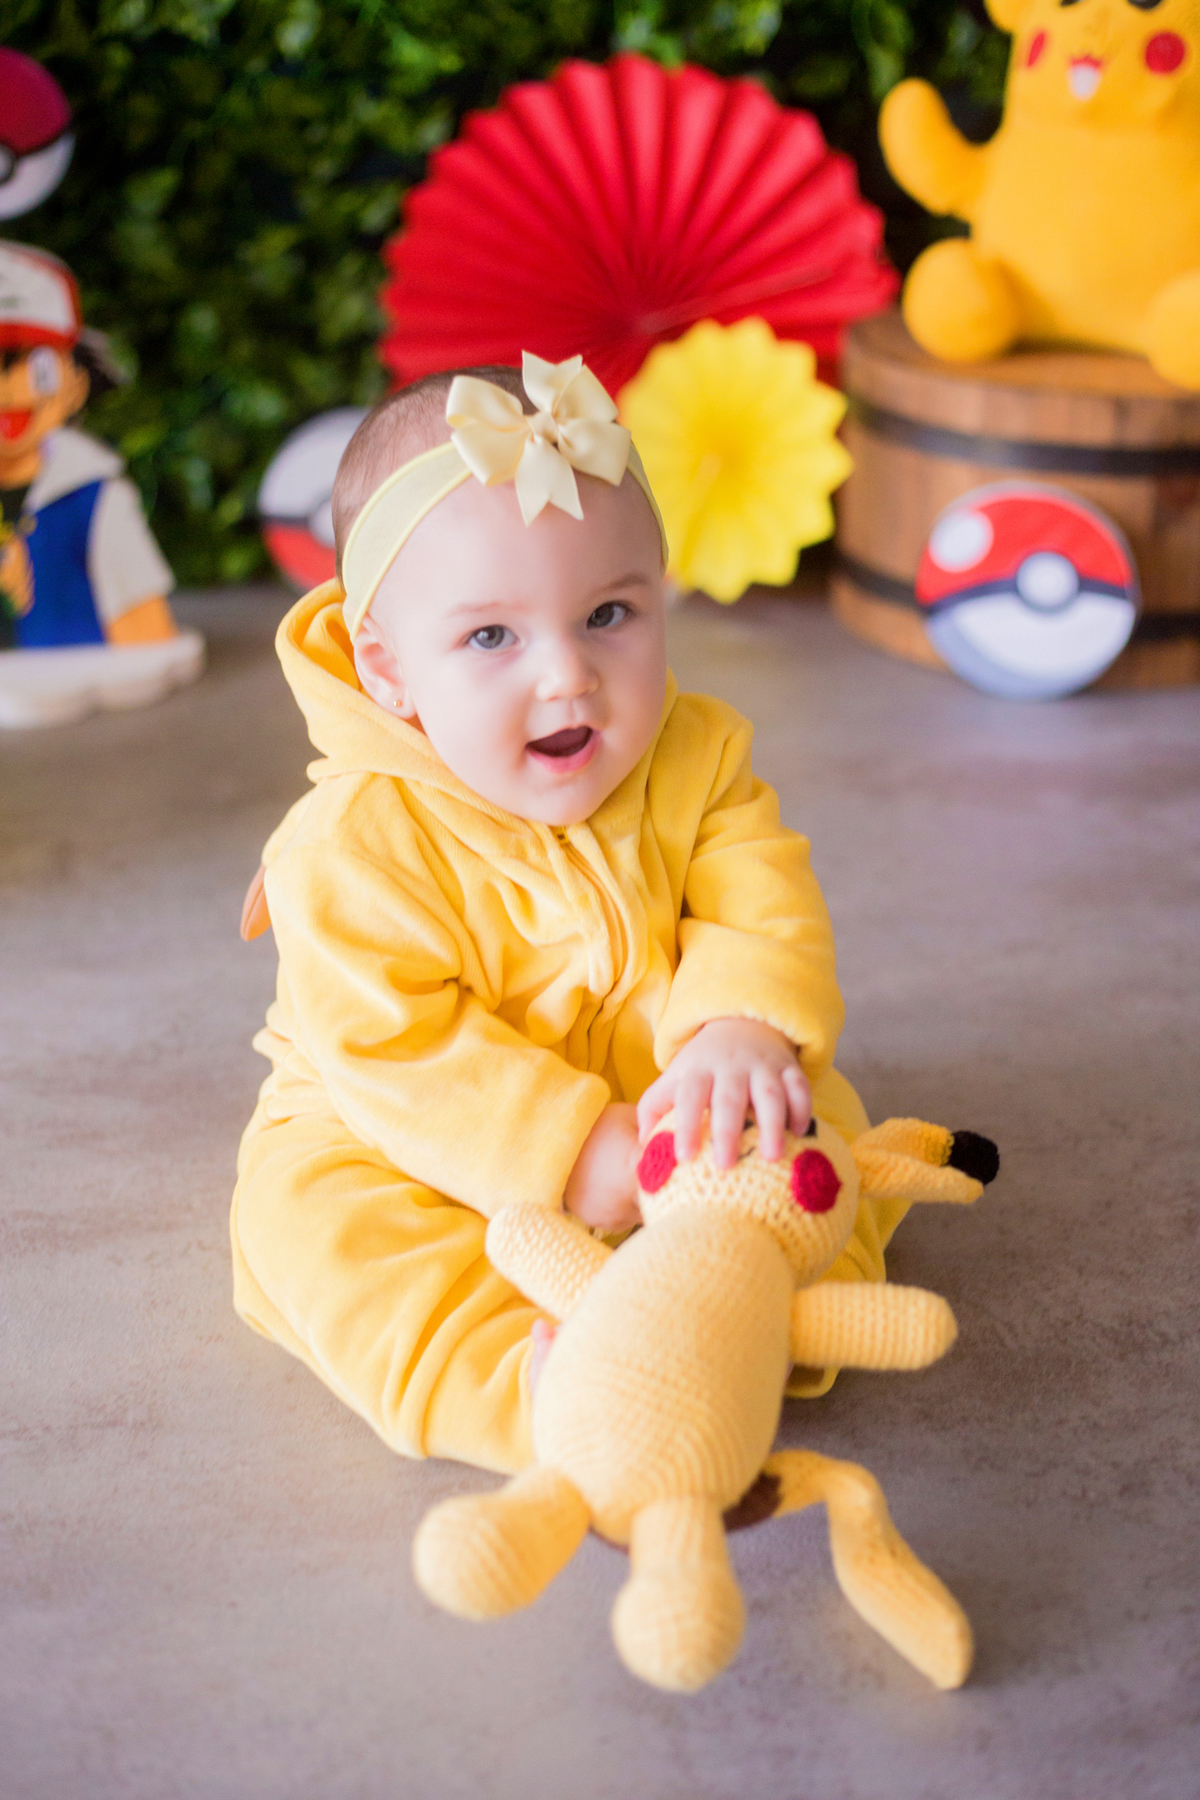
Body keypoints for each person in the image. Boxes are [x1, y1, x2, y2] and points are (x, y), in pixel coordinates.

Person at [232, 354, 909, 1477]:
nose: (568, 678)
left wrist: (736, 1028)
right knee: (332, 1242)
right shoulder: (353, 844)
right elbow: (398, 1052)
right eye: (492, 638)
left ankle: (743, 1314)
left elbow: (757, 897)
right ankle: (546, 1394)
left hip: (666, 1093)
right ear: (387, 668)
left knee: (802, 1122)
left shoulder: (699, 754)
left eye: (607, 615)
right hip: (411, 1141)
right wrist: (577, 1156)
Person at [0, 239, 202, 726]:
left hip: (84, 719)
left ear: (75, 380)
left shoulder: (95, 499)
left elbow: (144, 637)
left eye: (31, 366)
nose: (7, 392)